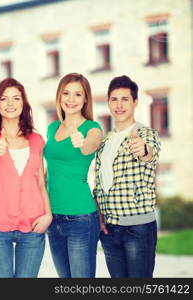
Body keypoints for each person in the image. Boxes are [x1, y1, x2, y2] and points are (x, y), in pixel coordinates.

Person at [0, 78, 52, 278]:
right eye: (4, 99)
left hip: (34, 225)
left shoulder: (37, 140)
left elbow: (40, 182)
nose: (10, 104)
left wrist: (48, 215)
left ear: (23, 104)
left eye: (16, 98)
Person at [93, 75, 161, 278]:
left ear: (135, 102)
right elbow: (100, 183)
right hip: (110, 231)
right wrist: (99, 215)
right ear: (108, 103)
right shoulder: (105, 142)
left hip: (137, 229)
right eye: (114, 99)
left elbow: (150, 152)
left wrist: (143, 149)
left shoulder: (144, 133)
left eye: (125, 99)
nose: (119, 105)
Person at [43, 73, 103, 278]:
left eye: (78, 94)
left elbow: (91, 146)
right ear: (59, 96)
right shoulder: (52, 128)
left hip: (80, 217)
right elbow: (46, 172)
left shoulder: (92, 128)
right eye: (66, 93)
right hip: (53, 218)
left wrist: (82, 143)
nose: (71, 99)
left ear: (86, 99)